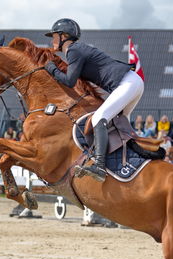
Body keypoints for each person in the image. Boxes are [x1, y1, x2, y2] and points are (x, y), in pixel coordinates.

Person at [44, 18, 144, 182]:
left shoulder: (74, 50)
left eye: (54, 36)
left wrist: (52, 69)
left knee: (99, 118)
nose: (52, 40)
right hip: (132, 82)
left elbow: (69, 81)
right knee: (118, 124)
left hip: (127, 83)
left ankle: (99, 166)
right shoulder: (77, 50)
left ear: (64, 36)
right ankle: (127, 164)